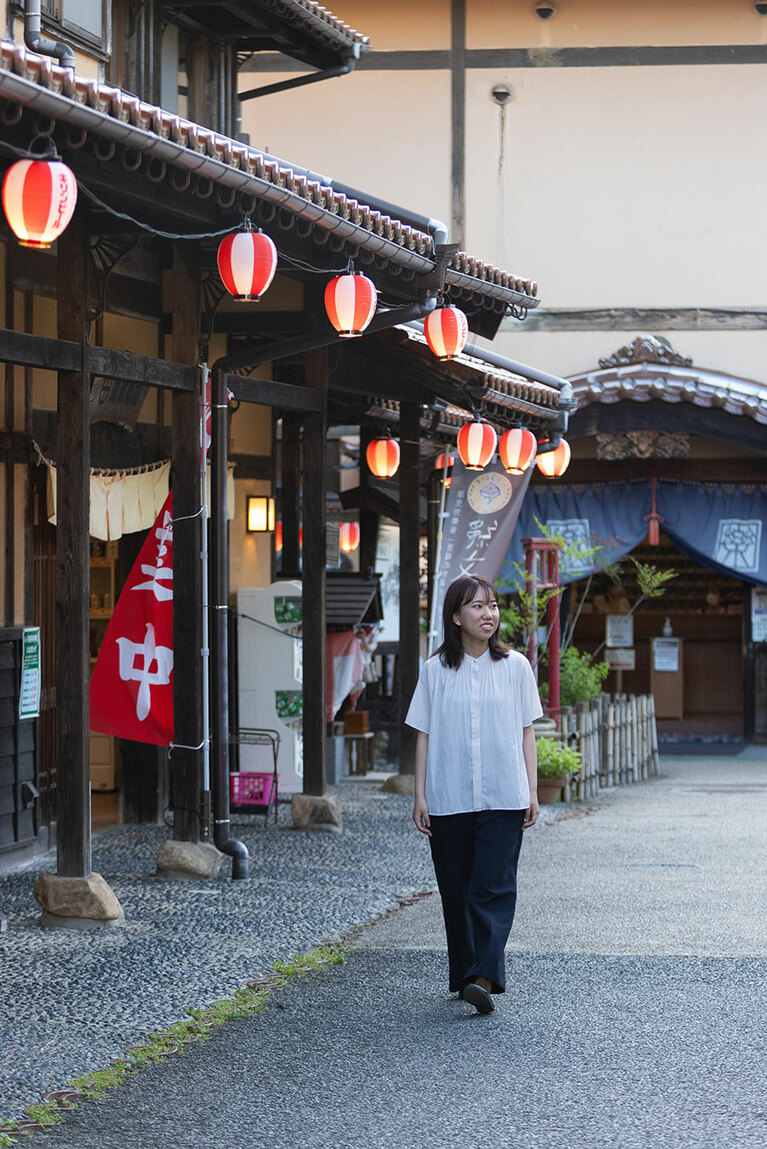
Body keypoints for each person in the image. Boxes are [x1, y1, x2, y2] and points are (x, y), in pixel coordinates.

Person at [405, 574, 543, 1015]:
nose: (489, 614)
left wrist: (532, 790)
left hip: (505, 793)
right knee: (457, 888)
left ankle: (483, 977)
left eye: (493, 606)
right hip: (449, 795)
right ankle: (467, 973)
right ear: (456, 616)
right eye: (478, 607)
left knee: (494, 886)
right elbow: (423, 735)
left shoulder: (516, 667)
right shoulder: (435, 671)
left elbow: (527, 733)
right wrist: (419, 794)